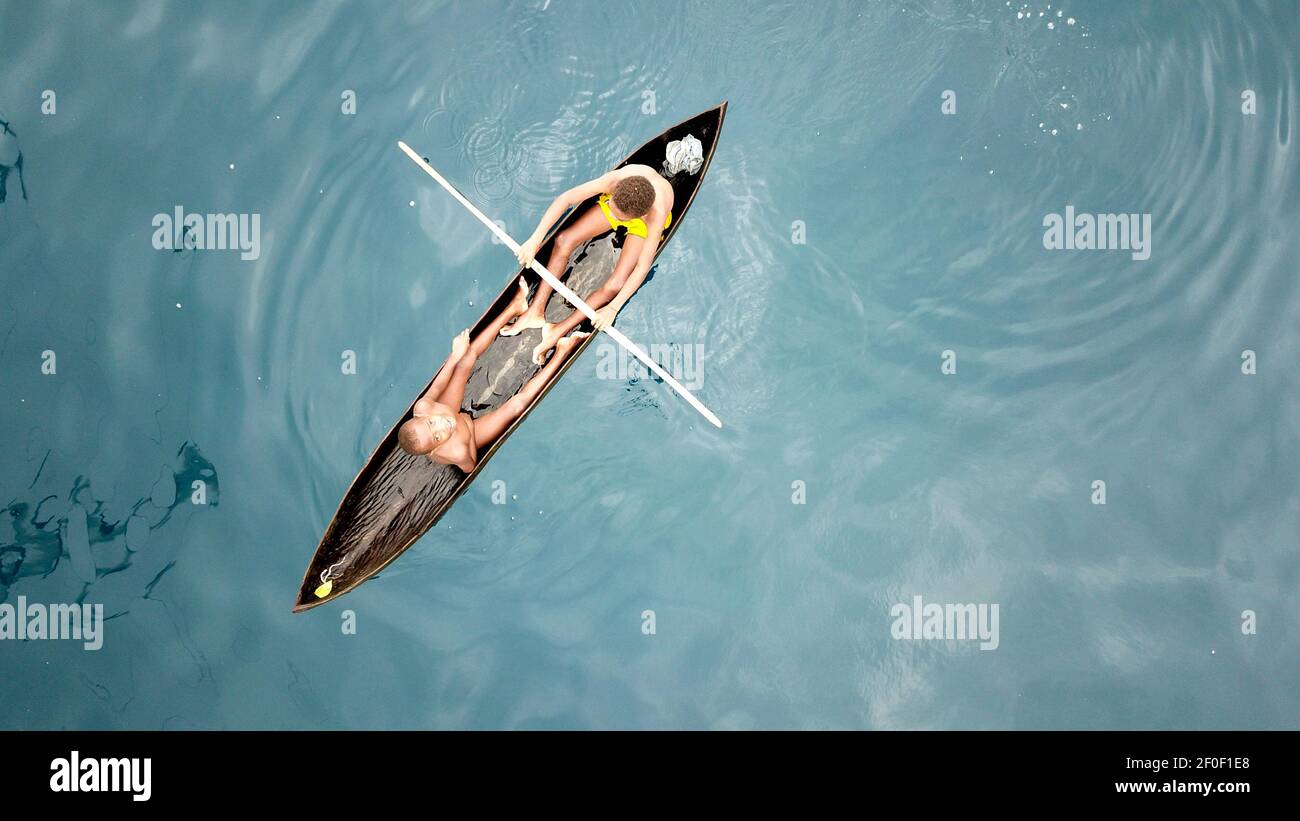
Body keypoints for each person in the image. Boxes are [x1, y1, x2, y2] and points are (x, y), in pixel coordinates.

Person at [397, 277, 588, 471]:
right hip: (471, 434)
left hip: (450, 409)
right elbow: (470, 466)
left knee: (466, 358)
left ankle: (514, 307)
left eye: (431, 423)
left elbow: (438, 385)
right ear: (435, 448)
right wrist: (467, 436)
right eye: (437, 437)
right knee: (516, 406)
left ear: (423, 415)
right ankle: (562, 352)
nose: (442, 426)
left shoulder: (424, 406)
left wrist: (455, 355)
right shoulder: (457, 452)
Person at [500, 166, 674, 364]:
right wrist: (535, 240)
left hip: (641, 225)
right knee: (563, 241)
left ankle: (558, 330)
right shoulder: (615, 181)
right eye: (611, 208)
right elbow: (566, 198)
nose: (612, 219)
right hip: (621, 207)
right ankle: (535, 310)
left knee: (616, 286)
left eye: (618, 218)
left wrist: (613, 308)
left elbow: (643, 267)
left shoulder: (656, 216)